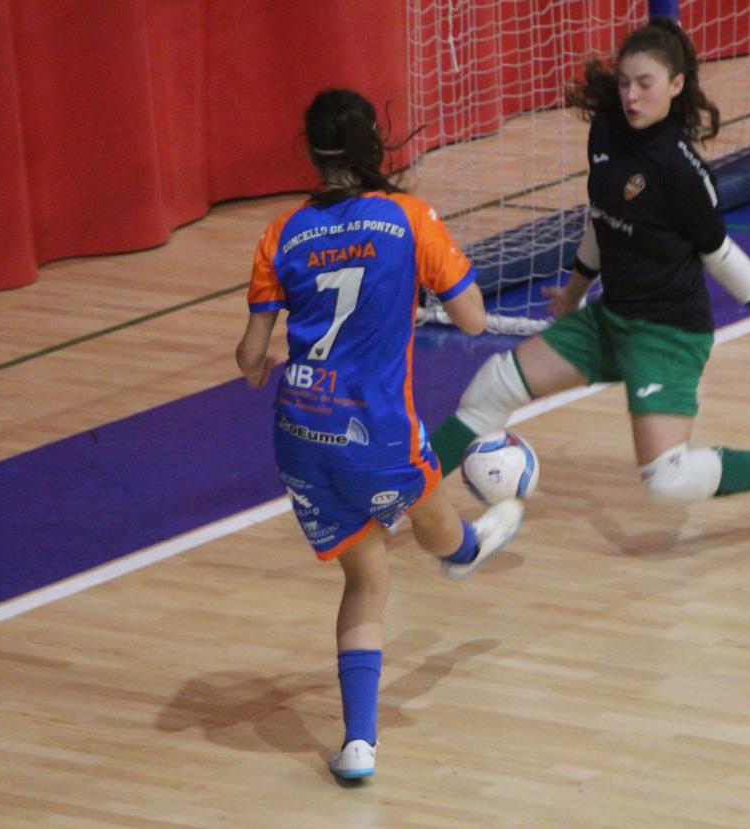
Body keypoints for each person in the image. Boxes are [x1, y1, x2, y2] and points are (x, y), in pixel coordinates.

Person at [430, 18, 750, 538]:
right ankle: (404, 497)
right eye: (624, 83)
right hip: (611, 319)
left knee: (667, 479)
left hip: (668, 335)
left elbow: (720, 252)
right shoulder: (607, 131)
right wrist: (574, 292)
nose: (631, 96)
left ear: (676, 84)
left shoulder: (682, 170)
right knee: (493, 386)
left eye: (645, 84)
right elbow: (603, 218)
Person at [235, 89, 525, 781]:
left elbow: (248, 359)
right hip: (373, 428)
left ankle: (359, 744)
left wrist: (269, 362)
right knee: (435, 524)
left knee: (365, 579)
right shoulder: (409, 217)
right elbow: (474, 319)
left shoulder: (280, 232)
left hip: (299, 428)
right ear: (376, 144)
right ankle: (467, 549)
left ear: (311, 152)